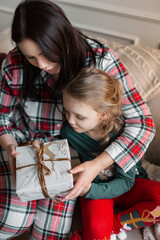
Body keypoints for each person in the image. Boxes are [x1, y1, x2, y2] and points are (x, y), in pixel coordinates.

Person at [0, 0, 155, 239]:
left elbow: (142, 123)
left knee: (50, 235)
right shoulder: (13, 65)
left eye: (46, 54)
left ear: (62, 38)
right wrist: (9, 145)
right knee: (12, 222)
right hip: (23, 148)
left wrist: (97, 165)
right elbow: (3, 115)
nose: (41, 65)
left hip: (67, 161)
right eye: (31, 57)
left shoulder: (99, 59)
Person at [61, 68, 160, 240]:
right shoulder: (68, 132)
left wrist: (114, 224)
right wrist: (89, 190)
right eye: (67, 112)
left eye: (79, 116)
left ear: (103, 115)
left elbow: (125, 182)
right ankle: (101, 231)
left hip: (130, 184)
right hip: (95, 189)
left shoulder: (123, 134)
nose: (70, 120)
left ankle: (115, 226)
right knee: (97, 233)